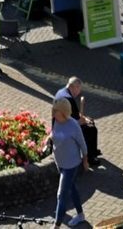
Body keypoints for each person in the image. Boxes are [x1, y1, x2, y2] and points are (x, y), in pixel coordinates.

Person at [50, 97, 87, 228]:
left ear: (64, 112)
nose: (54, 113)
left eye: (56, 111)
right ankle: (81, 215)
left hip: (71, 165)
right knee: (71, 188)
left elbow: (83, 144)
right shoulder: (55, 120)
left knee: (61, 194)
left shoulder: (73, 125)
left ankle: (57, 225)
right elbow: (54, 134)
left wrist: (85, 161)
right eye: (53, 110)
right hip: (60, 162)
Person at [54, 77, 101, 167]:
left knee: (89, 122)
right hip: (66, 126)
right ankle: (90, 157)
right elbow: (76, 120)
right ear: (74, 87)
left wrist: (83, 119)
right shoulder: (69, 99)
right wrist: (84, 120)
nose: (79, 92)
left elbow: (72, 114)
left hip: (60, 122)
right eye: (79, 88)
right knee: (91, 128)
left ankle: (93, 150)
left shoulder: (61, 92)